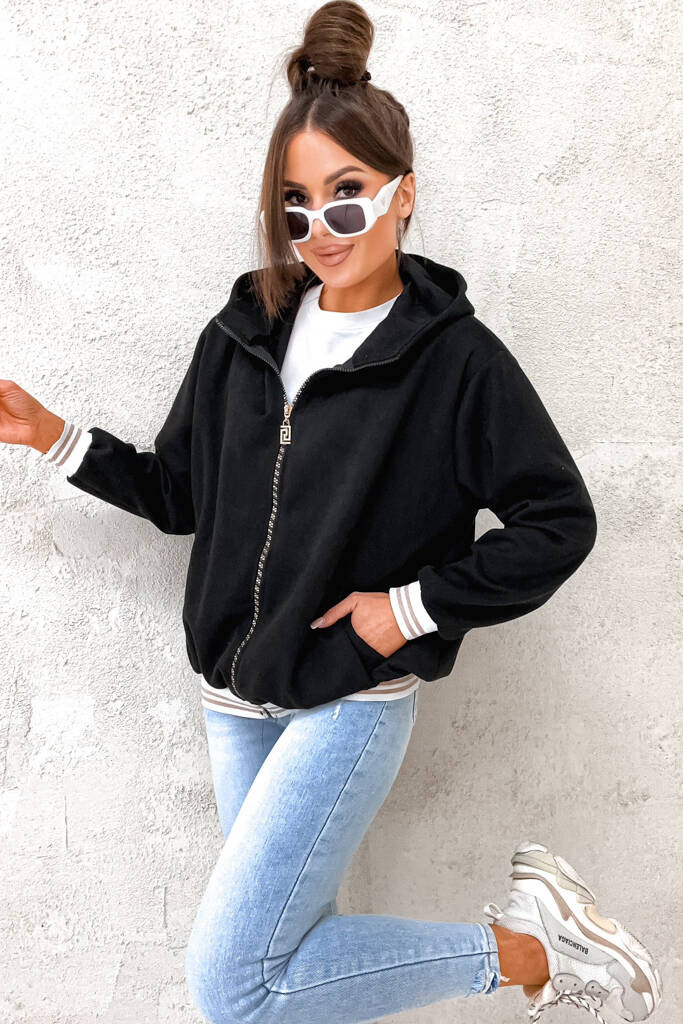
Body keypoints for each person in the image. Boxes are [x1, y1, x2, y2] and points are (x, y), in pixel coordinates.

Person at [1, 2, 663, 1022]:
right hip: (233, 698)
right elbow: (181, 494)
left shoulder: (454, 361)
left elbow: (557, 521)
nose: (320, 231)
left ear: (404, 195)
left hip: (347, 698)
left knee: (234, 988)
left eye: (347, 198)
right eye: (296, 205)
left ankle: (531, 951)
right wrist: (57, 438)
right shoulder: (242, 332)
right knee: (288, 978)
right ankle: (540, 942)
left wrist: (406, 610)